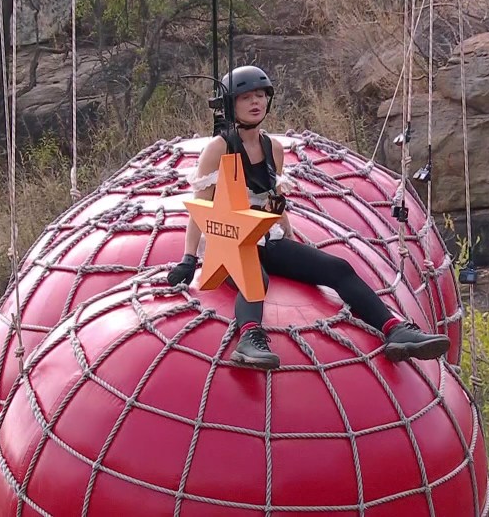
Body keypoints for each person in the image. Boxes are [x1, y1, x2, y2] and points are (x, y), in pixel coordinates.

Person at [167, 65, 449, 370]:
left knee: (338, 268)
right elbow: (201, 207)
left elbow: (273, 198)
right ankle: (249, 338)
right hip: (227, 240)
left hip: (264, 235)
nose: (255, 102)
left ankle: (395, 329)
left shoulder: (272, 147)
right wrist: (188, 257)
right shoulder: (219, 148)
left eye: (260, 95)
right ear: (229, 103)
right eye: (246, 96)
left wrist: (287, 233)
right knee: (253, 276)